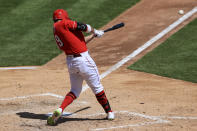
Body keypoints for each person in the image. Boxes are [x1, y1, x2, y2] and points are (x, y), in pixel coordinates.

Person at [47, 9, 115, 126]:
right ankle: (109, 113)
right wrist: (94, 30)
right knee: (97, 88)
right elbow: (83, 26)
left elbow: (79, 42)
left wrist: (93, 35)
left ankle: (61, 109)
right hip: (84, 61)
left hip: (71, 62)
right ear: (64, 17)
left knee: (75, 91)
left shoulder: (56, 29)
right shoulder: (64, 23)